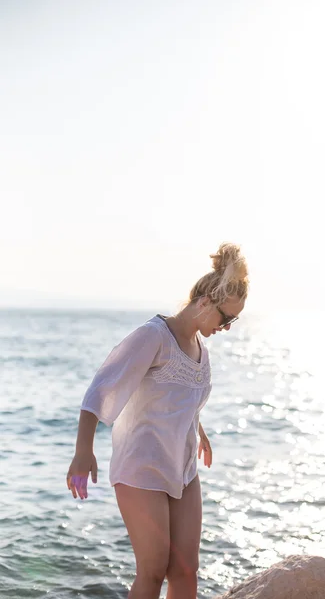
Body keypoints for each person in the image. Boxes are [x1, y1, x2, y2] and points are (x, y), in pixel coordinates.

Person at [66, 241, 249, 599]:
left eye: (234, 321)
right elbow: (99, 392)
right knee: (152, 570)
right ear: (204, 302)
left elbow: (177, 398)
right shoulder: (153, 337)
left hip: (182, 470)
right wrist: (83, 451)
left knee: (185, 569)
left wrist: (198, 428)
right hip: (141, 468)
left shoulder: (201, 350)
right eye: (226, 318)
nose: (227, 327)